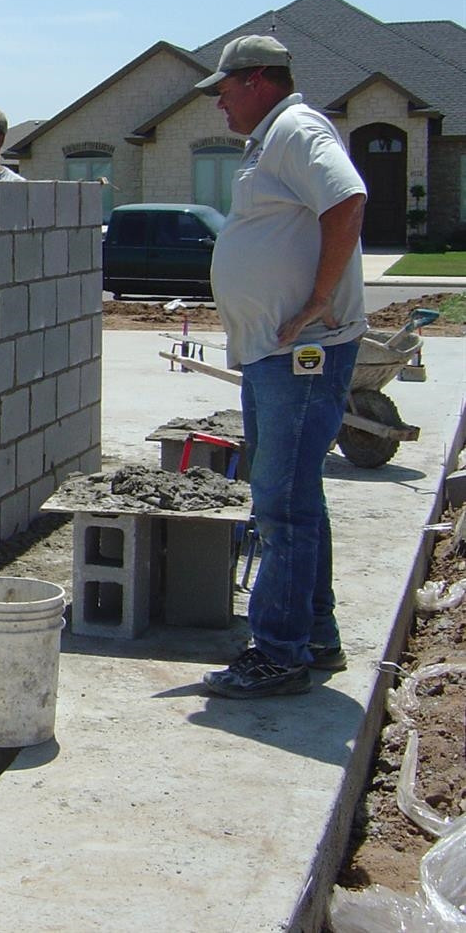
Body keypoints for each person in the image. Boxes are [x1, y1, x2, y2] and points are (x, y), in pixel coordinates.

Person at [196, 35, 368, 699]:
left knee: (281, 503)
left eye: (223, 90)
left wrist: (321, 299)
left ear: (259, 79)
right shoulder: (271, 138)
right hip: (276, 353)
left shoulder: (295, 127)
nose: (218, 104)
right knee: (295, 497)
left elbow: (346, 201)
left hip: (302, 354)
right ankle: (313, 636)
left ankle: (279, 652)